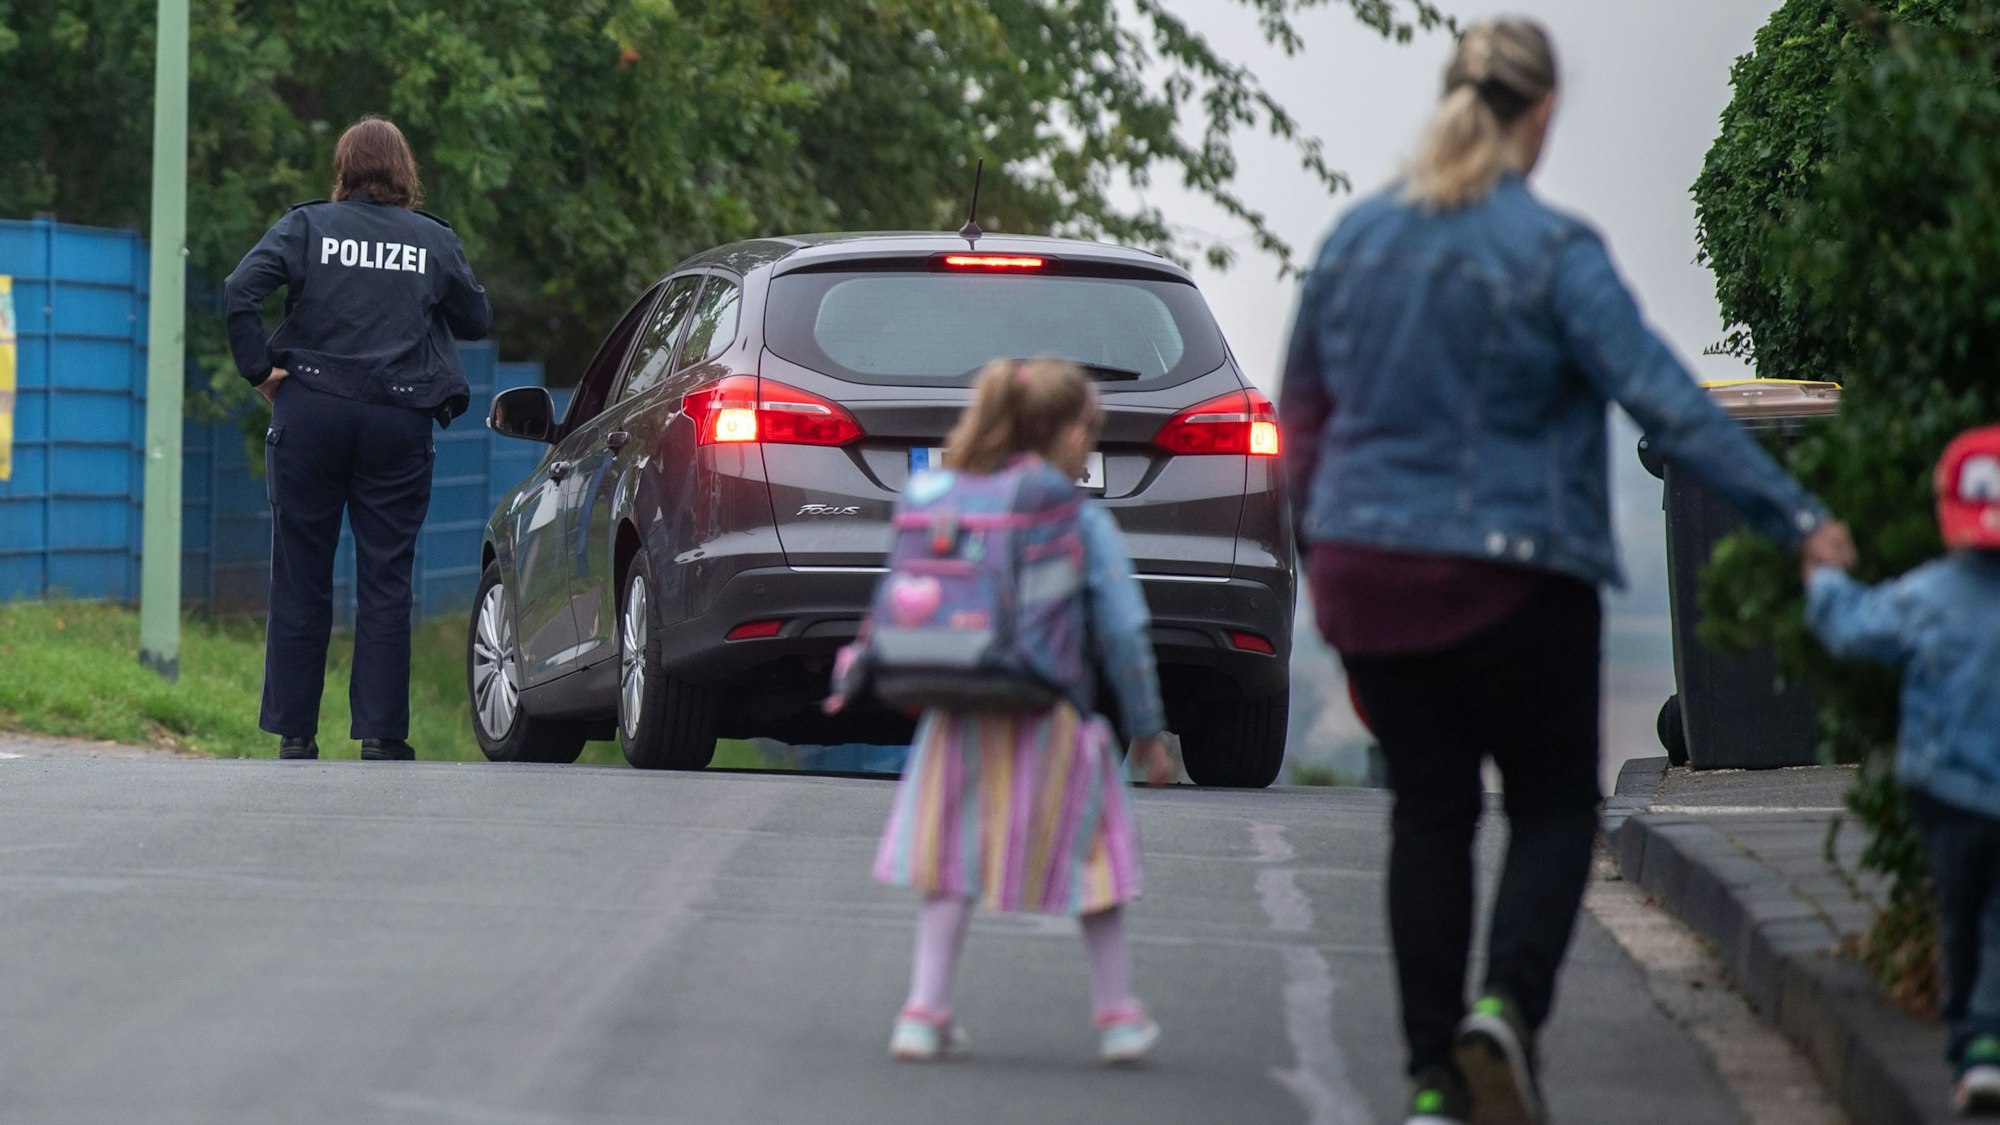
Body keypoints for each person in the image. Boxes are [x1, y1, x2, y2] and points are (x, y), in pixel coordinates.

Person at [1276, 18, 1855, 1125]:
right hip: (1517, 583)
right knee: (1547, 809)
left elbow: (1301, 420)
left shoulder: (1353, 241)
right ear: (1540, 115)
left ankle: (1430, 1085)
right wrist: (1793, 516)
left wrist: (1330, 578)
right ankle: (1502, 1009)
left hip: (1375, 580)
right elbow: (1666, 402)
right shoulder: (1551, 250)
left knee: (1429, 819)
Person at [863, 358, 1175, 1064]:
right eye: (1089, 433)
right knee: (1094, 856)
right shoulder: (1076, 514)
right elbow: (1125, 630)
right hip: (1050, 713)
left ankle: (923, 1010)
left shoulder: (940, 494)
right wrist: (1148, 728)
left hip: (956, 711)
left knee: (949, 857)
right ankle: (1119, 1015)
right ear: (1068, 435)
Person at [223, 116, 491, 761]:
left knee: (300, 572)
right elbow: (475, 318)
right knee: (385, 577)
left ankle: (295, 733)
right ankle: (380, 735)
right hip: (397, 421)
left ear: (343, 171)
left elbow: (239, 292)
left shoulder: (307, 226)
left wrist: (260, 371)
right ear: (405, 174)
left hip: (310, 411)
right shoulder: (432, 240)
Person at [1805, 424, 2000, 1117]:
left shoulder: (1930, 592)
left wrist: (1824, 579)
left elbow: (1856, 627)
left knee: (1959, 908)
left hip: (1944, 792)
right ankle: (1986, 1040)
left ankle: (1971, 1042)